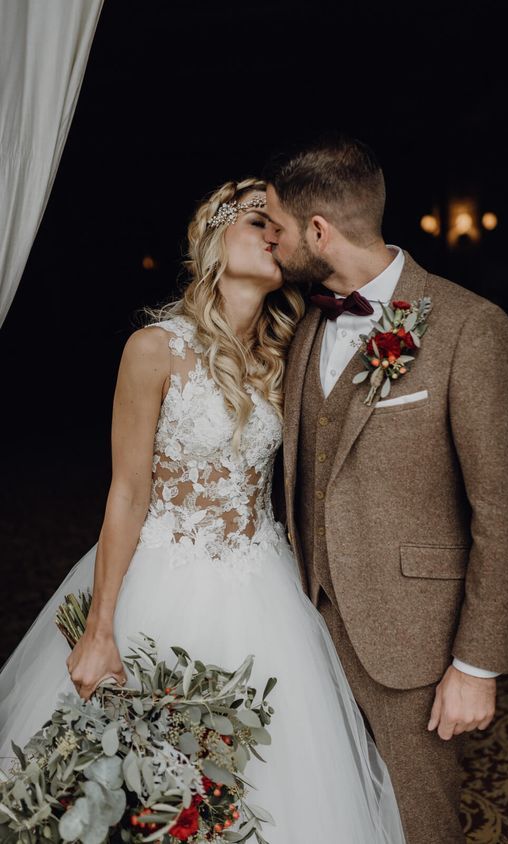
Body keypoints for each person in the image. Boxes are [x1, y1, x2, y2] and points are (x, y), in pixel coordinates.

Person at [0, 177, 407, 842]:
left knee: (273, 782)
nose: (275, 235)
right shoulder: (154, 348)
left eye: (281, 226)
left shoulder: (291, 350)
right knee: (136, 788)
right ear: (216, 237)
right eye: (258, 221)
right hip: (160, 580)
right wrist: (100, 629)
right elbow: (127, 492)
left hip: (264, 586)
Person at [262, 134, 508, 844]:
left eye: (277, 227)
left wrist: (475, 665)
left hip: (412, 641)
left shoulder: (467, 327)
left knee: (420, 825)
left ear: (318, 232)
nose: (272, 242)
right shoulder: (303, 328)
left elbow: (506, 509)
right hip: (303, 628)